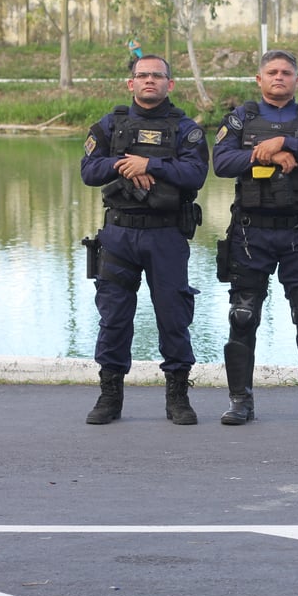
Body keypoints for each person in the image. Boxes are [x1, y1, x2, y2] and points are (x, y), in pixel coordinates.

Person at [212, 50, 298, 425]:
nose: (279, 77)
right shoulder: (241, 119)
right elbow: (221, 163)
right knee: (242, 315)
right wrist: (265, 155)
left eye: (286, 72)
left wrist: (287, 143)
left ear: (297, 80)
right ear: (259, 79)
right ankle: (241, 402)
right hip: (252, 232)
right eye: (272, 72)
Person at [80, 55, 208, 425]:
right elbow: (89, 170)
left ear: (170, 83)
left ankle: (178, 399)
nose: (150, 80)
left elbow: (197, 173)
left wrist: (150, 165)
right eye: (142, 75)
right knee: (114, 318)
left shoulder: (186, 129)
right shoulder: (109, 125)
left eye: (157, 75)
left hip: (166, 235)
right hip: (119, 233)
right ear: (130, 84)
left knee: (173, 316)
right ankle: (109, 398)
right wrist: (125, 164)